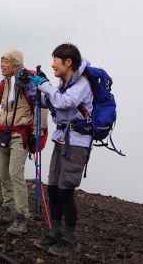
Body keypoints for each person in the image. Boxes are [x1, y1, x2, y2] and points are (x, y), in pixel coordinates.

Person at [30, 43, 93, 255]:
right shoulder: (65, 83)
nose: (52, 64)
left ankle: (70, 240)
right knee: (54, 188)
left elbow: (65, 102)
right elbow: (54, 102)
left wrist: (45, 85)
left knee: (65, 191)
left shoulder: (82, 84)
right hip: (62, 140)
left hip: (76, 144)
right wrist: (34, 89)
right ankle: (54, 233)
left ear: (68, 63)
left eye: (56, 61)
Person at [0, 49, 47, 236]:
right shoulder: (2, 85)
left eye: (5, 62)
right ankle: (8, 210)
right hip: (2, 133)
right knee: (3, 172)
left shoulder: (28, 83)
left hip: (20, 135)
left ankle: (21, 217)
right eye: (1, 62)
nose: (1, 65)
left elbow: (41, 107)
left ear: (15, 64)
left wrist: (38, 132)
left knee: (15, 174)